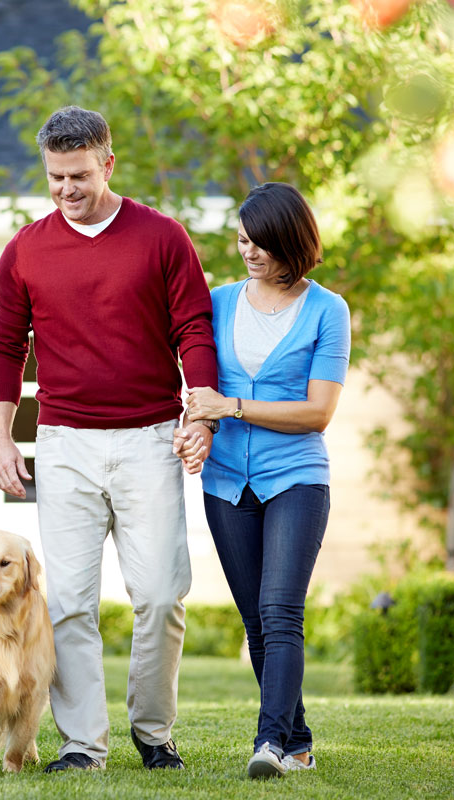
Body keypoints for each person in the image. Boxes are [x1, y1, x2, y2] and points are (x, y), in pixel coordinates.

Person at [0, 106, 218, 773]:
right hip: (64, 444)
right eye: (56, 177)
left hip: (149, 440)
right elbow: (4, 347)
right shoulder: (25, 249)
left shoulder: (162, 238)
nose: (67, 189)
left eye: (79, 175)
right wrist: (2, 437)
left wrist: (198, 415)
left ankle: (153, 731)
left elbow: (194, 331)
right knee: (72, 606)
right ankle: (83, 745)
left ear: (108, 163)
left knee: (162, 593)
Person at [175, 181, 350, 779]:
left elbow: (318, 412)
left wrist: (232, 407)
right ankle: (298, 740)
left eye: (263, 244)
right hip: (226, 483)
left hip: (296, 478)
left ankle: (269, 743)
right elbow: (198, 394)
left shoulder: (328, 310)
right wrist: (194, 423)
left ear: (292, 244)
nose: (249, 253)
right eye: (244, 241)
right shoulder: (219, 301)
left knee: (281, 609)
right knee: (255, 618)